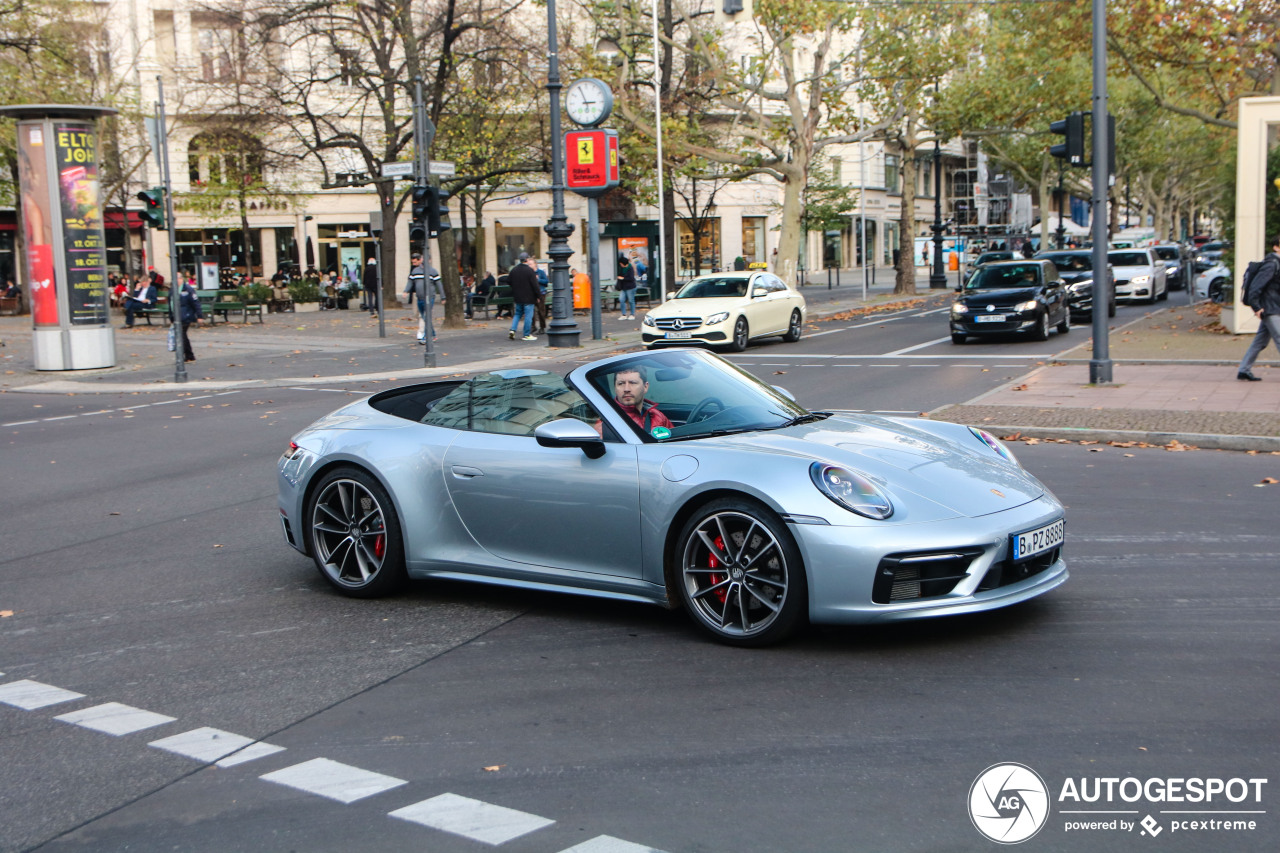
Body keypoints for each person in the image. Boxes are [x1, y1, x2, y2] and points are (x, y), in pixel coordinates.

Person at [1236, 233, 1280, 381]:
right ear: (1276, 247)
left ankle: (1244, 369)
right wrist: (1256, 307)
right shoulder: (1271, 264)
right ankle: (1244, 369)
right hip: (1269, 308)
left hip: (1274, 307)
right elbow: (1256, 287)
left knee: (1260, 341)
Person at [611, 366, 672, 433]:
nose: (626, 389)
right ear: (615, 388)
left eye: (633, 383)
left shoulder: (657, 416)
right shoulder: (607, 421)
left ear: (645, 387)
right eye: (621, 383)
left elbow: (674, 442)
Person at [403, 252, 442, 343]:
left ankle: (425, 336)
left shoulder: (432, 271)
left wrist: (442, 296)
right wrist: (406, 291)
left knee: (425, 316)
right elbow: (410, 281)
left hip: (429, 297)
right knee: (425, 317)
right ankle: (433, 334)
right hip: (419, 297)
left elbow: (439, 284)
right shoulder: (415, 271)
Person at [507, 252, 540, 341]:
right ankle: (526, 334)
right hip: (529, 297)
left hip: (518, 296)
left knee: (517, 314)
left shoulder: (514, 270)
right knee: (528, 316)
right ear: (527, 260)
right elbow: (535, 285)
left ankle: (512, 330)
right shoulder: (530, 271)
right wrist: (538, 296)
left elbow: (509, 281)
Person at [177, 271, 204, 362]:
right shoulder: (173, 289)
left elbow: (195, 303)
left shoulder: (188, 289)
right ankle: (188, 355)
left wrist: (199, 316)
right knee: (181, 335)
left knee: (181, 334)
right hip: (177, 316)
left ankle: (188, 354)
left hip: (186, 315)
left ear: (181, 279)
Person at [616, 253, 637, 320]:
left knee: (631, 300)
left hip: (630, 287)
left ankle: (632, 314)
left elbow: (631, 278)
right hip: (623, 287)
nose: (620, 265)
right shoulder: (621, 269)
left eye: (621, 263)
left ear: (623, 263)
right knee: (621, 299)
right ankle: (623, 314)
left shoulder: (630, 268)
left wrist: (623, 278)